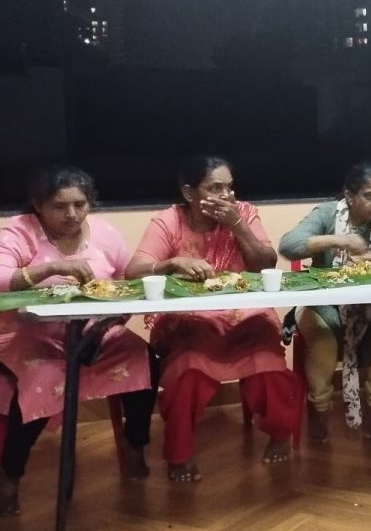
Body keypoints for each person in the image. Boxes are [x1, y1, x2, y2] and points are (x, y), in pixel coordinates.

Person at [0, 166, 155, 517]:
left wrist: (114, 317)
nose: (72, 214)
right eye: (59, 206)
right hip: (26, 337)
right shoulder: (19, 231)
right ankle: (10, 475)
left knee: (142, 357)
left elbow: (125, 282)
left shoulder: (103, 233)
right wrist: (47, 270)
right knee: (44, 380)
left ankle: (134, 443)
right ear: (38, 205)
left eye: (80, 204)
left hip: (93, 334)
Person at [125, 156, 298, 482]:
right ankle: (179, 454)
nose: (226, 195)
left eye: (229, 188)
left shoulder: (244, 213)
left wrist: (237, 225)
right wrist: (171, 264)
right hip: (190, 320)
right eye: (215, 188)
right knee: (188, 368)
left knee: (268, 366)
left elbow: (265, 265)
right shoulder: (169, 221)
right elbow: (133, 271)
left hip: (247, 316)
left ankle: (280, 433)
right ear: (189, 193)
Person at [278, 163, 371, 441]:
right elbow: (288, 245)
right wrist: (339, 240)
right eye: (370, 196)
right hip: (327, 302)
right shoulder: (328, 213)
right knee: (324, 339)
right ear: (350, 196)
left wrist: (364, 258)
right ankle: (319, 407)